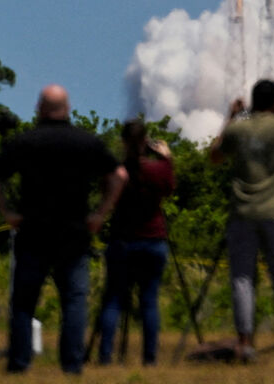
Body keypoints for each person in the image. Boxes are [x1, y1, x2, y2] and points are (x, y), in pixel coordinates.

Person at [0, 84, 127, 375]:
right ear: (68, 108)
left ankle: (19, 362)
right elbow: (119, 176)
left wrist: (7, 211)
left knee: (24, 303)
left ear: (40, 108)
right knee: (73, 302)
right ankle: (72, 365)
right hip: (73, 233)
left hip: (33, 232)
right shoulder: (86, 142)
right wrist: (100, 214)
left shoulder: (25, 142)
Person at [209, 79, 274, 367]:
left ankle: (244, 343)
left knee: (242, 278)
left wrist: (230, 118)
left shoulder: (238, 128)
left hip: (243, 213)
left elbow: (215, 156)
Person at [97, 119, 176, 366]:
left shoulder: (116, 172)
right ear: (145, 142)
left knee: (113, 300)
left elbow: (104, 193)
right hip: (153, 240)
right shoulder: (158, 170)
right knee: (149, 302)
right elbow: (169, 187)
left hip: (123, 241)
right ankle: (149, 358)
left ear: (122, 142)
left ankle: (105, 356)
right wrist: (166, 158)